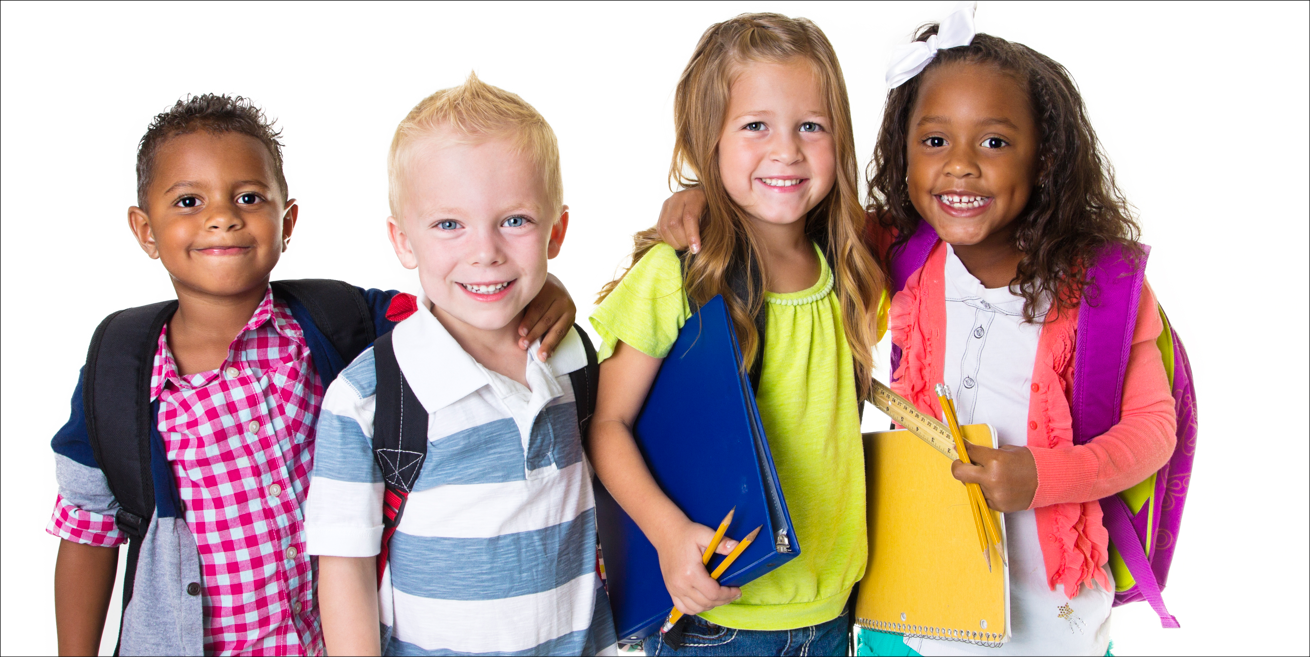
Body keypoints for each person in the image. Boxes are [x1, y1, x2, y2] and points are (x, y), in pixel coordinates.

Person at [657, 10, 1178, 656]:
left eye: (993, 142)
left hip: (1053, 624)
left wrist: (1043, 475)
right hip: (911, 614)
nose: (959, 167)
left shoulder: (1106, 288)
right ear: (902, 152)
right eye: (934, 142)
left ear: (1046, 157)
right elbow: (789, 218)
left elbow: (1155, 430)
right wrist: (703, 197)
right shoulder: (900, 251)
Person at [48, 94, 576, 656]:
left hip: (333, 641)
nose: (222, 216)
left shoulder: (335, 322)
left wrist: (546, 286)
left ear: (287, 219)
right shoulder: (123, 366)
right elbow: (88, 532)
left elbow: (460, 308)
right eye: (188, 201)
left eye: (248, 197)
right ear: (145, 229)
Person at [587, 14, 885, 657]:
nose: (787, 150)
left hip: (833, 613)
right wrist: (668, 536)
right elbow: (606, 426)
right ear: (707, 142)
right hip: (718, 620)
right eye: (755, 126)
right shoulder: (678, 275)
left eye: (812, 125)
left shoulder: (850, 264)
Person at [304, 73, 617, 656]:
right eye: (449, 224)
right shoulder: (369, 398)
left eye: (515, 220)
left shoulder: (577, 359)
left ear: (558, 231)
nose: (485, 250)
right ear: (403, 241)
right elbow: (343, 569)